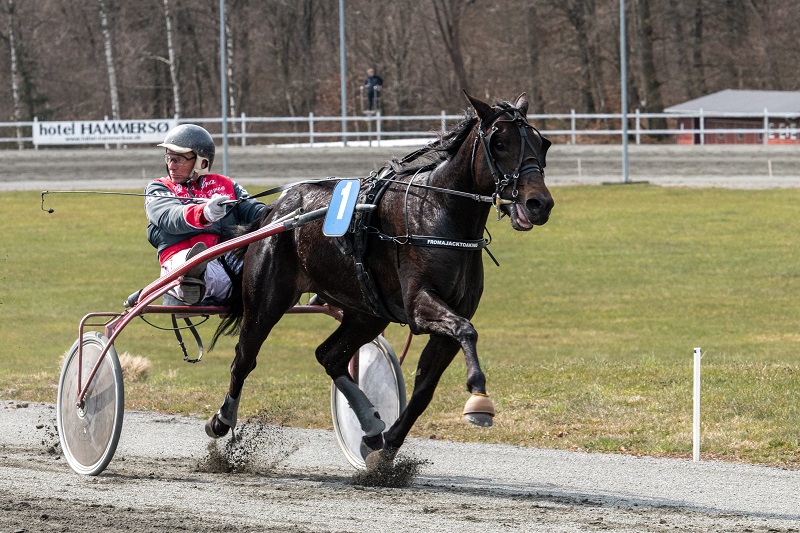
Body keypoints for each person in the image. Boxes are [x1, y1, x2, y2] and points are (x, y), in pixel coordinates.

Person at [143, 124, 267, 305]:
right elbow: (168, 216)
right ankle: (193, 278)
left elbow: (257, 213)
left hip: (226, 263)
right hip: (179, 262)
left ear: (201, 162)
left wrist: (285, 211)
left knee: (268, 257)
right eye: (169, 158)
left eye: (178, 159)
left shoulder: (226, 185)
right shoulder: (159, 187)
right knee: (190, 261)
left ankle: (314, 279)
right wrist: (205, 213)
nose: (171, 166)